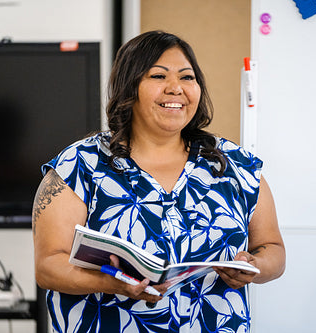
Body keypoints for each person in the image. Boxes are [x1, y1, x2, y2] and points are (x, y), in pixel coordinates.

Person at [32, 30, 285, 332]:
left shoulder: (236, 164)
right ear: (129, 88)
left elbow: (272, 248)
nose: (175, 89)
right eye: (158, 76)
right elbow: (48, 266)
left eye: (187, 77)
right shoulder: (80, 164)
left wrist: (253, 267)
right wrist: (111, 283)